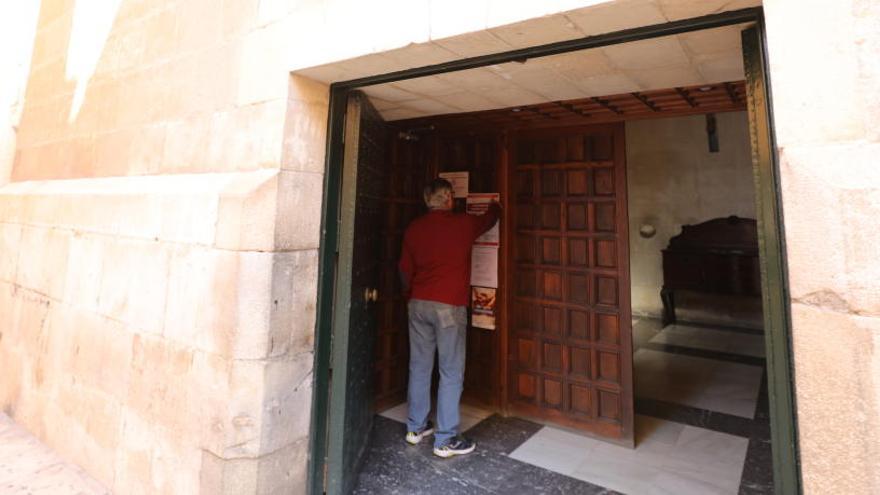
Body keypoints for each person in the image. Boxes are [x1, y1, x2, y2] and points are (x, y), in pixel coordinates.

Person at [398, 178, 501, 458]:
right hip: (448, 306)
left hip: (418, 303)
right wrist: (495, 207)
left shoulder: (414, 228)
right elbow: (489, 220)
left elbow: (404, 271)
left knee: (419, 366)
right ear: (448, 199)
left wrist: (411, 296)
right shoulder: (462, 224)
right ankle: (445, 439)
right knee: (450, 371)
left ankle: (415, 428)